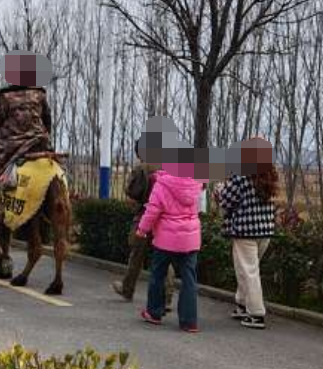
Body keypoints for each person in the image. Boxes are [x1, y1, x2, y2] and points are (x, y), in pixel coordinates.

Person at [216, 138, 278, 330]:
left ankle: (256, 313)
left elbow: (226, 201)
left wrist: (220, 190)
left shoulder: (241, 176)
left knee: (248, 272)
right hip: (265, 231)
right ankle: (242, 304)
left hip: (245, 232)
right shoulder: (269, 175)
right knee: (247, 269)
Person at [136, 163, 205, 334]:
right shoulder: (197, 182)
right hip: (190, 238)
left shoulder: (162, 183)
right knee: (189, 279)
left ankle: (154, 312)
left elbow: (152, 210)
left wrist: (142, 229)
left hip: (166, 239)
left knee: (158, 274)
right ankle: (189, 321)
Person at [0, 53, 54, 187]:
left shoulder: (5, 97)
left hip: (12, 143)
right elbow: (47, 119)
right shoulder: (40, 94)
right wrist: (45, 135)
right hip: (39, 141)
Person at [112, 147, 173, 312]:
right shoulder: (169, 166)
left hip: (144, 216)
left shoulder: (142, 168)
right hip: (165, 219)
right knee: (164, 258)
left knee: (136, 255)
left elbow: (132, 192)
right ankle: (167, 297)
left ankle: (127, 289)